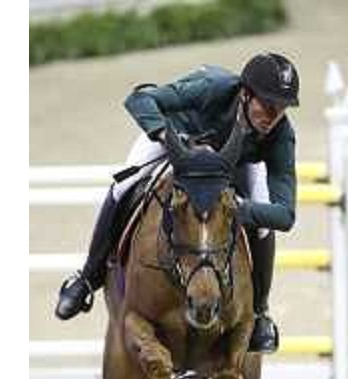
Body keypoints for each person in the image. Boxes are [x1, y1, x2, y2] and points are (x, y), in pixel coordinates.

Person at [55, 52, 300, 353]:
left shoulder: (281, 136)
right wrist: (164, 134)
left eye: (282, 109)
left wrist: (239, 210)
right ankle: (87, 279)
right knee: (123, 186)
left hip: (229, 167)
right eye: (268, 105)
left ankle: (260, 313)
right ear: (245, 94)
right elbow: (140, 99)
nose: (273, 116)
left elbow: (285, 215)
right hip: (172, 141)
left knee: (263, 228)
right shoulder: (213, 87)